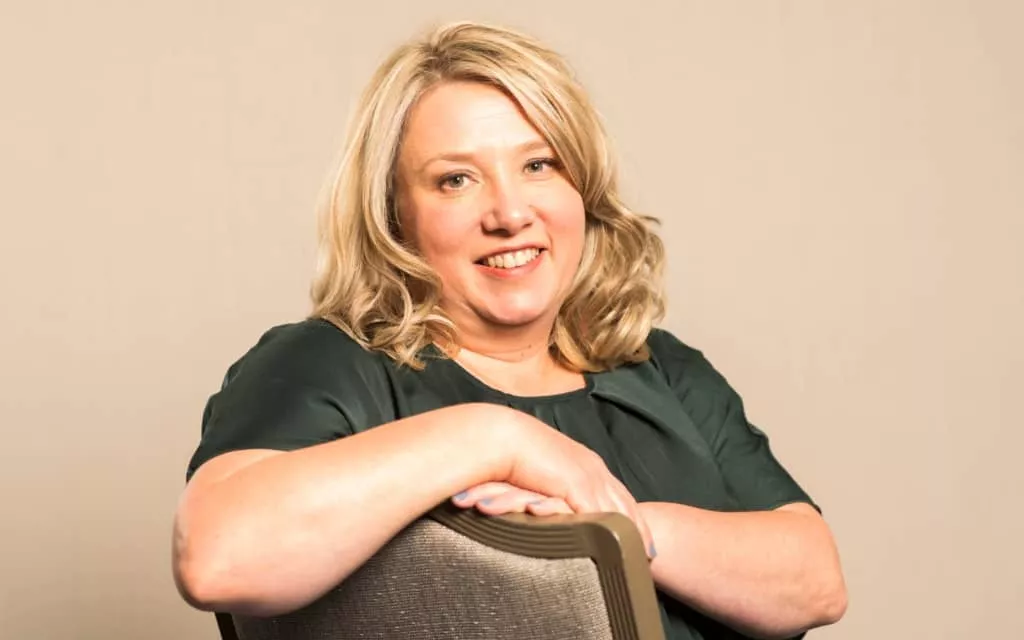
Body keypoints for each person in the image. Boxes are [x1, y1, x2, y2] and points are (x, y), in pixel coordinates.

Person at [172, 21, 847, 640]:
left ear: (581, 187)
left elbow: (815, 582)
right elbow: (219, 558)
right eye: (456, 179)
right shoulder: (330, 362)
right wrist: (496, 438)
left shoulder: (655, 365)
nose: (510, 213)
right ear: (394, 214)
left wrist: (615, 534)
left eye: (538, 164)